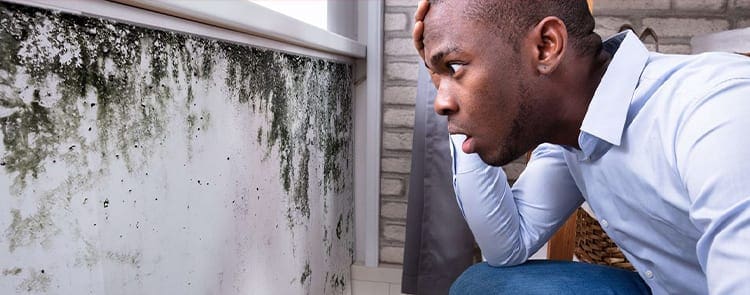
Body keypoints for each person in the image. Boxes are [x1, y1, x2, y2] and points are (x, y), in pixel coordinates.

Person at [411, 0, 750, 294]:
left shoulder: (717, 112)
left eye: (455, 66)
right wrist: (452, 91)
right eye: (437, 76)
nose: (440, 103)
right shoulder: (571, 130)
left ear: (546, 46)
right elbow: (507, 246)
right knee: (481, 284)